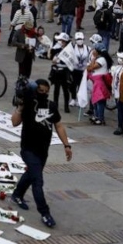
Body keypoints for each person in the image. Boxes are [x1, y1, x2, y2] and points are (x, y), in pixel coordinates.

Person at [9, 78, 72, 228]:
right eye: (40, 91)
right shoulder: (29, 105)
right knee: (38, 181)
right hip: (28, 149)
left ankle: (17, 194)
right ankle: (45, 213)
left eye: (46, 92)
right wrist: (20, 106)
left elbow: (59, 125)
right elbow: (14, 122)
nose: (43, 94)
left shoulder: (51, 106)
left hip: (43, 150)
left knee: (32, 174)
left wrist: (67, 145)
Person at [86, 46, 111, 126]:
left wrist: (93, 59)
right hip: (97, 81)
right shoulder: (101, 59)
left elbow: (91, 68)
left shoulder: (101, 60)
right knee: (96, 101)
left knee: (99, 101)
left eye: (95, 50)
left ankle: (100, 118)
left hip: (100, 82)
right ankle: (97, 116)